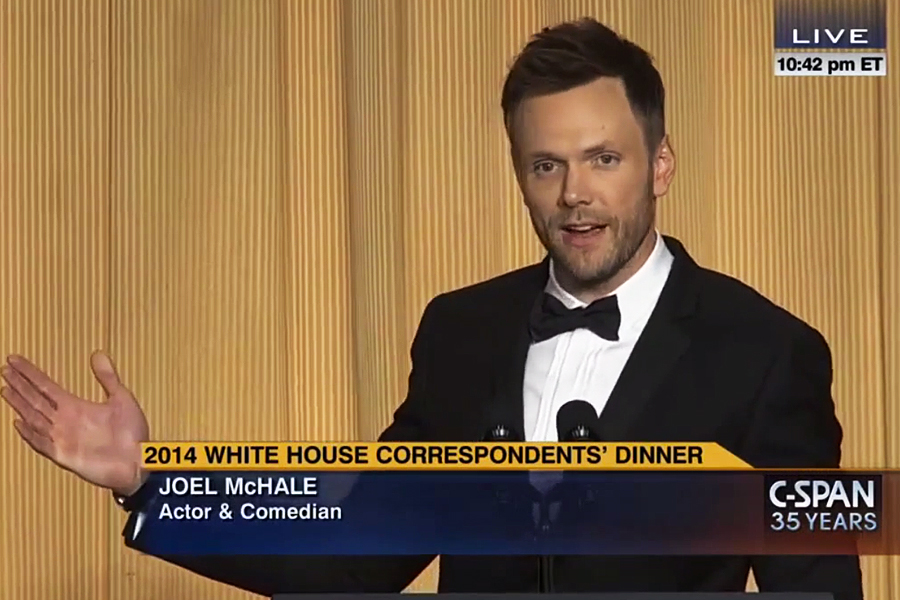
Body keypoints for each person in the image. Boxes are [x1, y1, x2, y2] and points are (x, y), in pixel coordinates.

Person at [1, 17, 864, 599]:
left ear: (660, 164)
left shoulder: (765, 352)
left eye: (604, 158)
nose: (575, 195)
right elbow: (357, 547)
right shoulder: (463, 333)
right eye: (545, 165)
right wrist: (154, 478)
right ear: (520, 174)